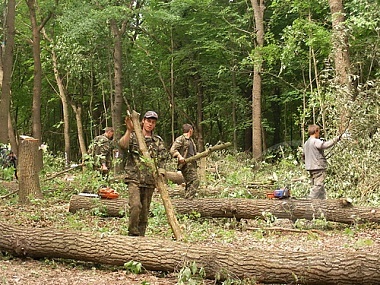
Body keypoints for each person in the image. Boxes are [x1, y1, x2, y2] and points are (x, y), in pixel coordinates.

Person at [119, 111, 167, 236]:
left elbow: (162, 159)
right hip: (134, 178)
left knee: (144, 214)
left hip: (149, 181)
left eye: (153, 122)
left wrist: (160, 175)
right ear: (143, 121)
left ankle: (141, 238)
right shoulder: (134, 136)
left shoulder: (157, 141)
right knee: (135, 206)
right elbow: (123, 146)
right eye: (148, 121)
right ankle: (132, 233)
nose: (150, 124)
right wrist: (129, 130)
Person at [303, 124, 340, 199]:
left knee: (320, 188)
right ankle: (309, 200)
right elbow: (324, 145)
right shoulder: (315, 141)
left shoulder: (306, 143)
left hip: (310, 167)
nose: (319, 134)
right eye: (318, 132)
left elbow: (303, 156)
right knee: (318, 185)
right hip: (318, 167)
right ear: (316, 131)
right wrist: (337, 139)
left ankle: (322, 202)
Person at [170, 123, 199, 199]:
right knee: (195, 181)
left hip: (192, 164)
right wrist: (180, 157)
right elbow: (172, 150)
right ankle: (188, 199)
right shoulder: (181, 139)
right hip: (186, 165)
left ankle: (187, 202)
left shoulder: (191, 140)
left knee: (189, 183)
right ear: (190, 130)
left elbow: (192, 153)